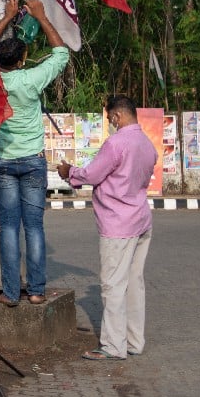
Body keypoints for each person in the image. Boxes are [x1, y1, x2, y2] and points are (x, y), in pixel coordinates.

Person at [57, 94, 157, 360]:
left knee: (113, 285)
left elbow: (92, 174)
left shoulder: (116, 143)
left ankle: (113, 345)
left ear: (117, 116)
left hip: (118, 224)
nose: (110, 123)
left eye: (109, 118)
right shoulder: (147, 144)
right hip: (141, 219)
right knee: (134, 283)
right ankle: (133, 341)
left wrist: (70, 172)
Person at [0, 0, 70, 307]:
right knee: (33, 226)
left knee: (8, 227)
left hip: (3, 161)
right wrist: (42, 17)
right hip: (32, 161)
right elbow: (61, 53)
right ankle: (35, 290)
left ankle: (10, 293)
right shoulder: (32, 79)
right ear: (22, 60)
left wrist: (8, 18)